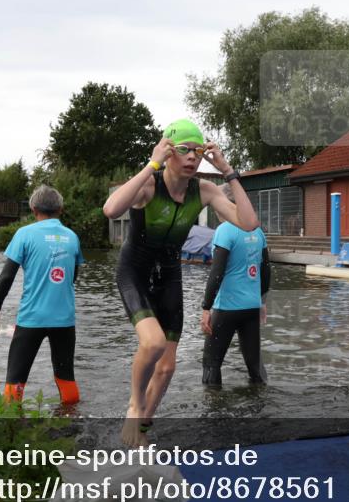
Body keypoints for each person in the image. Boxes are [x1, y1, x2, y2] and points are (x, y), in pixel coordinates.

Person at [102, 118, 259, 446]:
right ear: (169, 152)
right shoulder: (149, 186)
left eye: (197, 151)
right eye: (184, 150)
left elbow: (248, 223)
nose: (191, 157)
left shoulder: (203, 190)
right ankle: (135, 405)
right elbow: (111, 208)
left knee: (167, 367)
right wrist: (152, 163)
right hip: (135, 273)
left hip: (169, 275)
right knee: (153, 344)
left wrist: (228, 170)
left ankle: (141, 430)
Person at [0, 185, 85, 406]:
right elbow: (72, 277)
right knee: (66, 376)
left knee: (15, 381)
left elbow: (6, 276)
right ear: (60, 209)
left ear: (33, 209)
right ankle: (69, 425)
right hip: (64, 321)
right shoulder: (72, 237)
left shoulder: (24, 234)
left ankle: (12, 430)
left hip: (32, 319)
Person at [200, 186, 271, 387]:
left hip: (226, 309)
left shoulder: (224, 231)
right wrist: (262, 302)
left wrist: (206, 308)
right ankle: (259, 406)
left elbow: (217, 272)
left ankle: (214, 410)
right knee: (255, 366)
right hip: (251, 307)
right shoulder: (257, 230)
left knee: (211, 364)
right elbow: (266, 270)